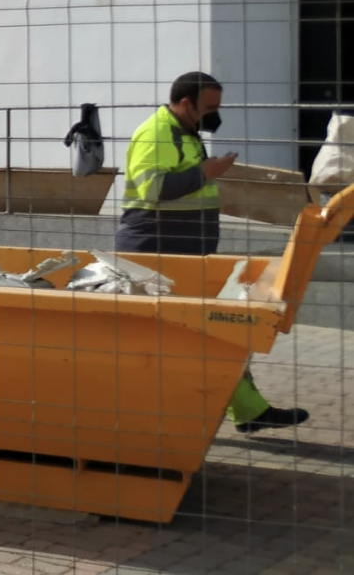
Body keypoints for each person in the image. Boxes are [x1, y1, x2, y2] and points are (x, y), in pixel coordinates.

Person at [118, 71, 308, 434]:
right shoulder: (158, 133)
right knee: (206, 335)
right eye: (209, 107)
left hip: (183, 253)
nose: (214, 115)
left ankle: (248, 411)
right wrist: (208, 172)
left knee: (211, 333)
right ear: (186, 103)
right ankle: (237, 412)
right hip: (157, 254)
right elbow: (153, 190)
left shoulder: (184, 132)